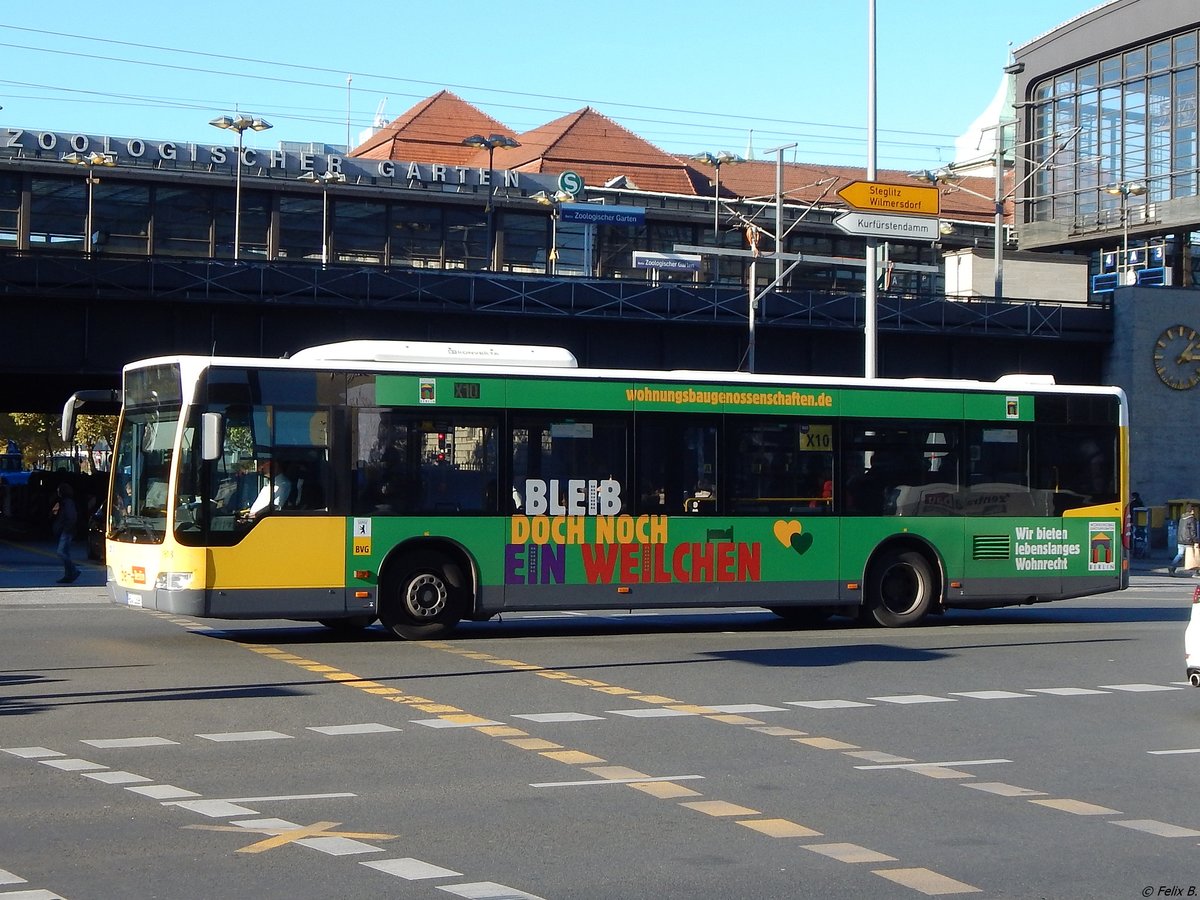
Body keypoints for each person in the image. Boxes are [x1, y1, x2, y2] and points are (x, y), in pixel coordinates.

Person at [51, 482, 80, 583]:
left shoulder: (67, 502)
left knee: (61, 552)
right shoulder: (64, 502)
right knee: (65, 552)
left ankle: (74, 570)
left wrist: (66, 527)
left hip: (67, 530)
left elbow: (71, 516)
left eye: (59, 490)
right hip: (66, 529)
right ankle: (68, 575)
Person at [1170, 505, 1198, 576]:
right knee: (1194, 555)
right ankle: (1196, 572)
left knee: (1180, 554)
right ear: (1192, 511)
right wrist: (1196, 540)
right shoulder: (1191, 519)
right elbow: (1193, 531)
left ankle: (1172, 567)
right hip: (1189, 541)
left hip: (1181, 540)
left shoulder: (1182, 518)